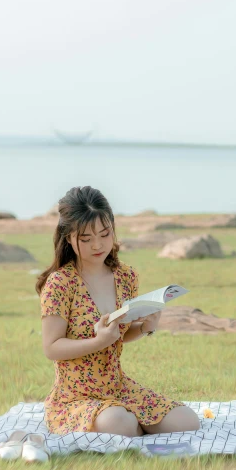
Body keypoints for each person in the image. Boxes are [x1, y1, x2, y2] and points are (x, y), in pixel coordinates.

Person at [36, 186, 200, 437]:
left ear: (113, 228)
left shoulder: (125, 276)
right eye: (86, 239)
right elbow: (52, 347)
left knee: (187, 422)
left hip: (118, 387)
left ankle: (129, 423)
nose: (98, 245)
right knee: (117, 423)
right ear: (69, 238)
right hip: (75, 397)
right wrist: (97, 341)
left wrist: (146, 327)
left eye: (105, 234)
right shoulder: (60, 283)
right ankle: (126, 424)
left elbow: (120, 334)